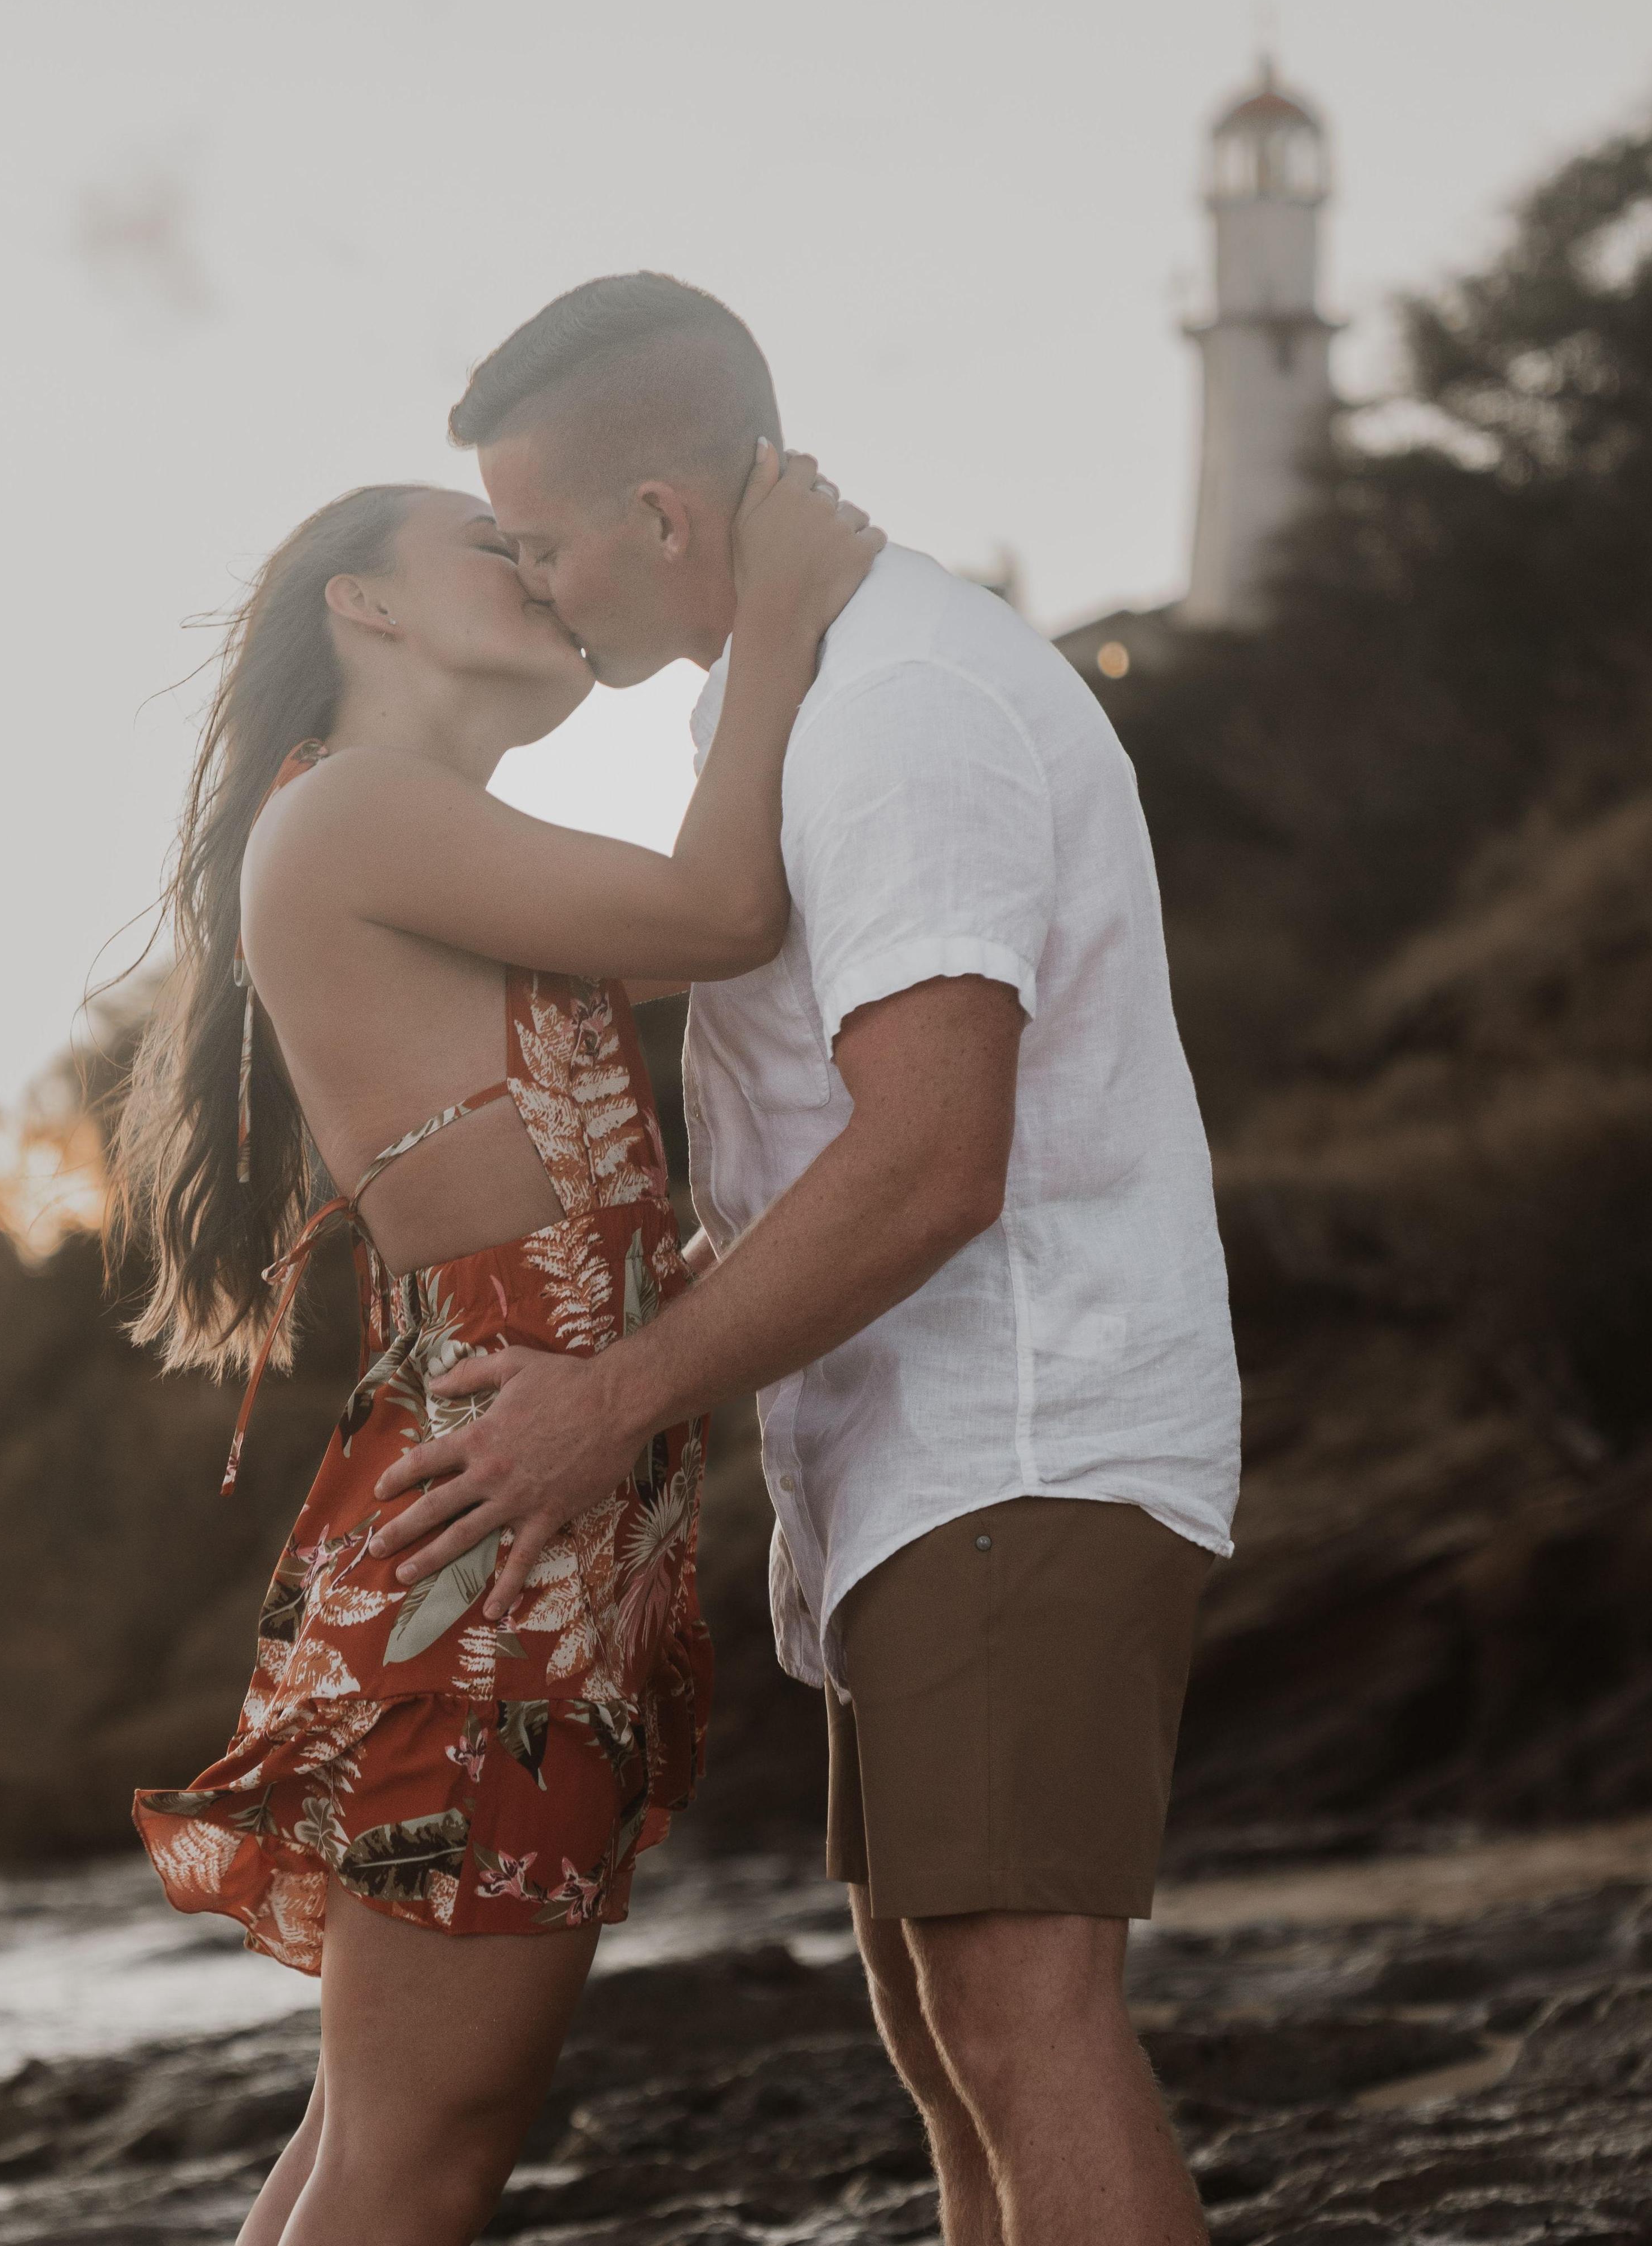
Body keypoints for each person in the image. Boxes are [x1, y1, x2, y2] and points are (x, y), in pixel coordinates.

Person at [373, 272, 1241, 2246]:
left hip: (1017, 1434)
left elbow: (934, 1155)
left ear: (662, 518)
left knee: (1023, 2022)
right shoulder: (818, 694)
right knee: (947, 2031)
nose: (529, 579)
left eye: (537, 538)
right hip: (917, 1464)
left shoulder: (899, 713)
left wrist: (607, 1403)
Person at [111, 450, 879, 2244]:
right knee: (420, 2150)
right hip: (500, 1528)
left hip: (519, 1499)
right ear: (361, 606)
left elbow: (567, 1187)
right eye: (491, 546)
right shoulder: (363, 806)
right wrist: (772, 616)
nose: (539, 566)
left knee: (375, 2138)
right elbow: (722, 914)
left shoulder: (381, 818)